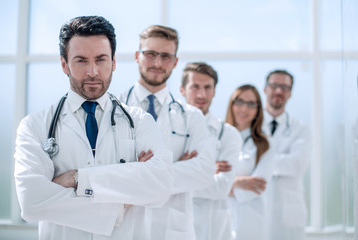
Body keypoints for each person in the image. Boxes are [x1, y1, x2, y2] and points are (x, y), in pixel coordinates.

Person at [14, 16, 173, 240]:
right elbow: (32, 202)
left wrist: (78, 179)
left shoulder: (139, 121)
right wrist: (120, 203)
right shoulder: (35, 126)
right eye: (81, 60)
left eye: (101, 59)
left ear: (114, 62)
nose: (93, 72)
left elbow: (161, 184)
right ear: (64, 64)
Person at [119, 25, 216, 240]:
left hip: (172, 230)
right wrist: (176, 166)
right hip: (123, 227)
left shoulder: (191, 117)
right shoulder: (112, 111)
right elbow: (103, 168)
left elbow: (204, 172)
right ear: (137, 56)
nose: (157, 63)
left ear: (175, 62)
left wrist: (136, 173)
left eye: (165, 56)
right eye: (150, 54)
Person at [179, 62, 242, 240]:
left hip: (214, 229)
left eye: (208, 87)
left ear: (215, 91)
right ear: (182, 90)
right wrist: (206, 170)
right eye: (195, 87)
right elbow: (160, 181)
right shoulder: (168, 129)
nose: (201, 94)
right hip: (175, 226)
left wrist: (181, 170)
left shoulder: (229, 134)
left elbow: (222, 188)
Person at [263, 70, 310, 240]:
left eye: (284, 87)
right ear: (265, 89)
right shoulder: (251, 126)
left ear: (289, 93)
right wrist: (281, 162)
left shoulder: (301, 129)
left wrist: (262, 162)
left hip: (289, 213)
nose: (278, 91)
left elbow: (297, 165)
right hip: (257, 207)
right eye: (274, 86)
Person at [225, 84, 274, 240]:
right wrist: (239, 182)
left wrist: (224, 184)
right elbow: (205, 182)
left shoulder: (265, 144)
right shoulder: (218, 138)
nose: (244, 108)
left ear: (258, 109)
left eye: (251, 104)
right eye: (239, 102)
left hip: (251, 221)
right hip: (219, 216)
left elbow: (258, 186)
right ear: (231, 104)